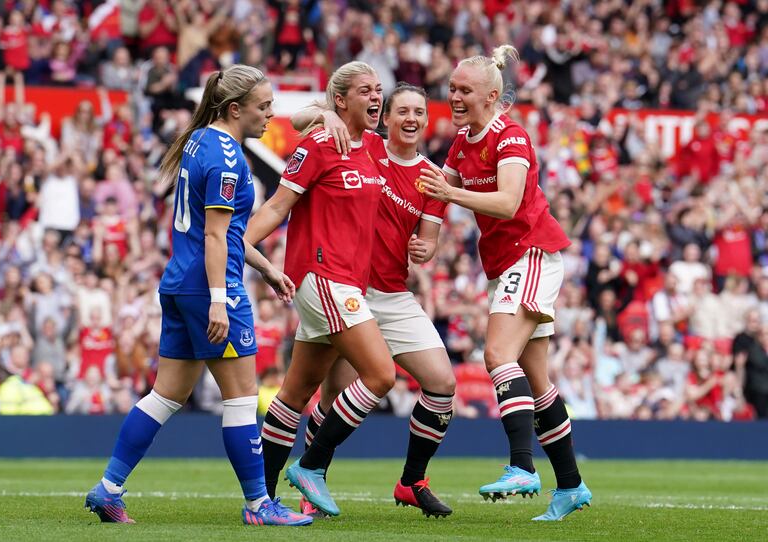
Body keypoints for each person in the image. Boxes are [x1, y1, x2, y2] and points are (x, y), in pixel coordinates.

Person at [84, 65, 311, 527]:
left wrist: (266, 267)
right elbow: (214, 235)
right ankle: (258, 505)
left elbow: (222, 233)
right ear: (235, 109)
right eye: (263, 106)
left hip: (179, 283)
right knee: (243, 396)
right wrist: (218, 299)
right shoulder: (228, 157)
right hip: (211, 286)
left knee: (167, 394)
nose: (271, 114)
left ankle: (107, 488)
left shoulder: (198, 141)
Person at [261, 83, 455, 518]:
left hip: (392, 291)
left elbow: (429, 238)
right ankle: (305, 484)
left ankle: (411, 481)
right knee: (331, 393)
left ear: (426, 120)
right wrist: (325, 113)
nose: (410, 119)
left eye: (418, 113)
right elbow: (299, 121)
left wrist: (427, 249)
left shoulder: (432, 176)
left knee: (442, 384)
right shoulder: (362, 143)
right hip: (346, 286)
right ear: (385, 118)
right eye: (401, 110)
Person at [419, 45, 592, 521]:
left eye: (464, 90)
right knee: (537, 381)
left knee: (497, 355)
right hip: (503, 264)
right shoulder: (462, 140)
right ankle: (571, 486)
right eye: (452, 88)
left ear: (492, 95)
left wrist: (449, 192)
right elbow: (436, 196)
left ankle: (522, 466)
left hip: (532, 253)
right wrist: (428, 240)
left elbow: (511, 202)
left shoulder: (510, 137)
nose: (454, 97)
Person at [244, 61, 393, 517]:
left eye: (378, 89)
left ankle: (261, 501)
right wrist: (240, 242)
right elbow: (279, 204)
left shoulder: (374, 148)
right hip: (323, 277)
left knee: (297, 392)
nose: (376, 97)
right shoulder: (320, 144)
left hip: (351, 282)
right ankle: (311, 467)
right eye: (364, 90)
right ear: (342, 99)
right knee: (381, 376)